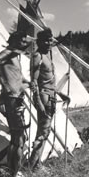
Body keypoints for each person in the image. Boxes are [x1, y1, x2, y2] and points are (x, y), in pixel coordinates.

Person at [0, 31, 31, 177]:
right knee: (18, 137)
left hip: (17, 97)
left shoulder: (14, 55)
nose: (25, 44)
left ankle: (0, 160)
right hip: (11, 98)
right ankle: (12, 172)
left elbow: (16, 76)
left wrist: (27, 82)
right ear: (16, 41)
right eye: (23, 41)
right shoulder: (7, 52)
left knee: (19, 136)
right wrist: (4, 83)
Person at [28, 28, 58, 169]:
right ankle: (33, 164)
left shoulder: (47, 55)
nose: (48, 43)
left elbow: (49, 79)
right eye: (45, 40)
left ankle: (35, 162)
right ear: (39, 42)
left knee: (45, 131)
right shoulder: (37, 56)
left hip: (51, 95)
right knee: (43, 131)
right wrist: (38, 101)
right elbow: (34, 82)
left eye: (50, 40)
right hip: (44, 96)